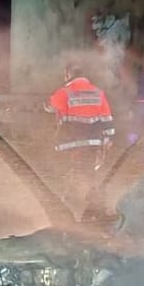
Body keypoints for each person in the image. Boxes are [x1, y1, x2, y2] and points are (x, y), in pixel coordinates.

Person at [46, 63, 115, 197]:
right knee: (89, 171)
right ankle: (92, 199)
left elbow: (49, 106)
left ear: (68, 75)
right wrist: (108, 139)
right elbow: (107, 118)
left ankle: (68, 197)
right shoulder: (98, 93)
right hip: (92, 142)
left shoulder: (64, 92)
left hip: (70, 143)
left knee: (67, 170)